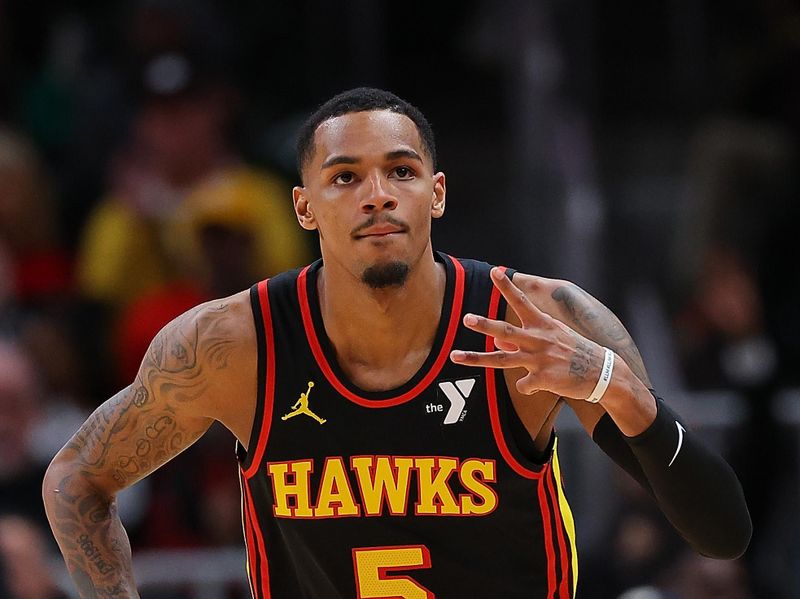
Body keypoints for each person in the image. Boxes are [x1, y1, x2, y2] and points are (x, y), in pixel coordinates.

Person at [43, 88, 751, 598]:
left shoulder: (541, 320)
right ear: (304, 205)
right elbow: (77, 478)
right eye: (345, 176)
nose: (377, 194)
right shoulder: (236, 344)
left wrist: (616, 387)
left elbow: (722, 531)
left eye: (401, 171)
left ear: (436, 193)